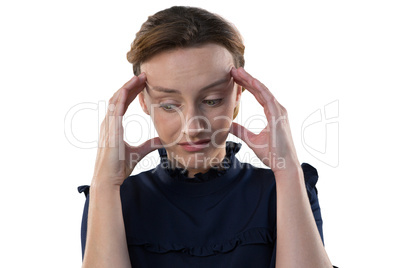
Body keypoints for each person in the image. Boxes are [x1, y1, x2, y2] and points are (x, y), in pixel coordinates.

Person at [78, 6, 337, 268]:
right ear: (143, 102)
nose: (193, 126)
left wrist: (287, 169)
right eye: (169, 104)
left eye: (212, 100)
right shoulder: (112, 200)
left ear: (238, 94)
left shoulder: (284, 191)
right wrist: (104, 183)